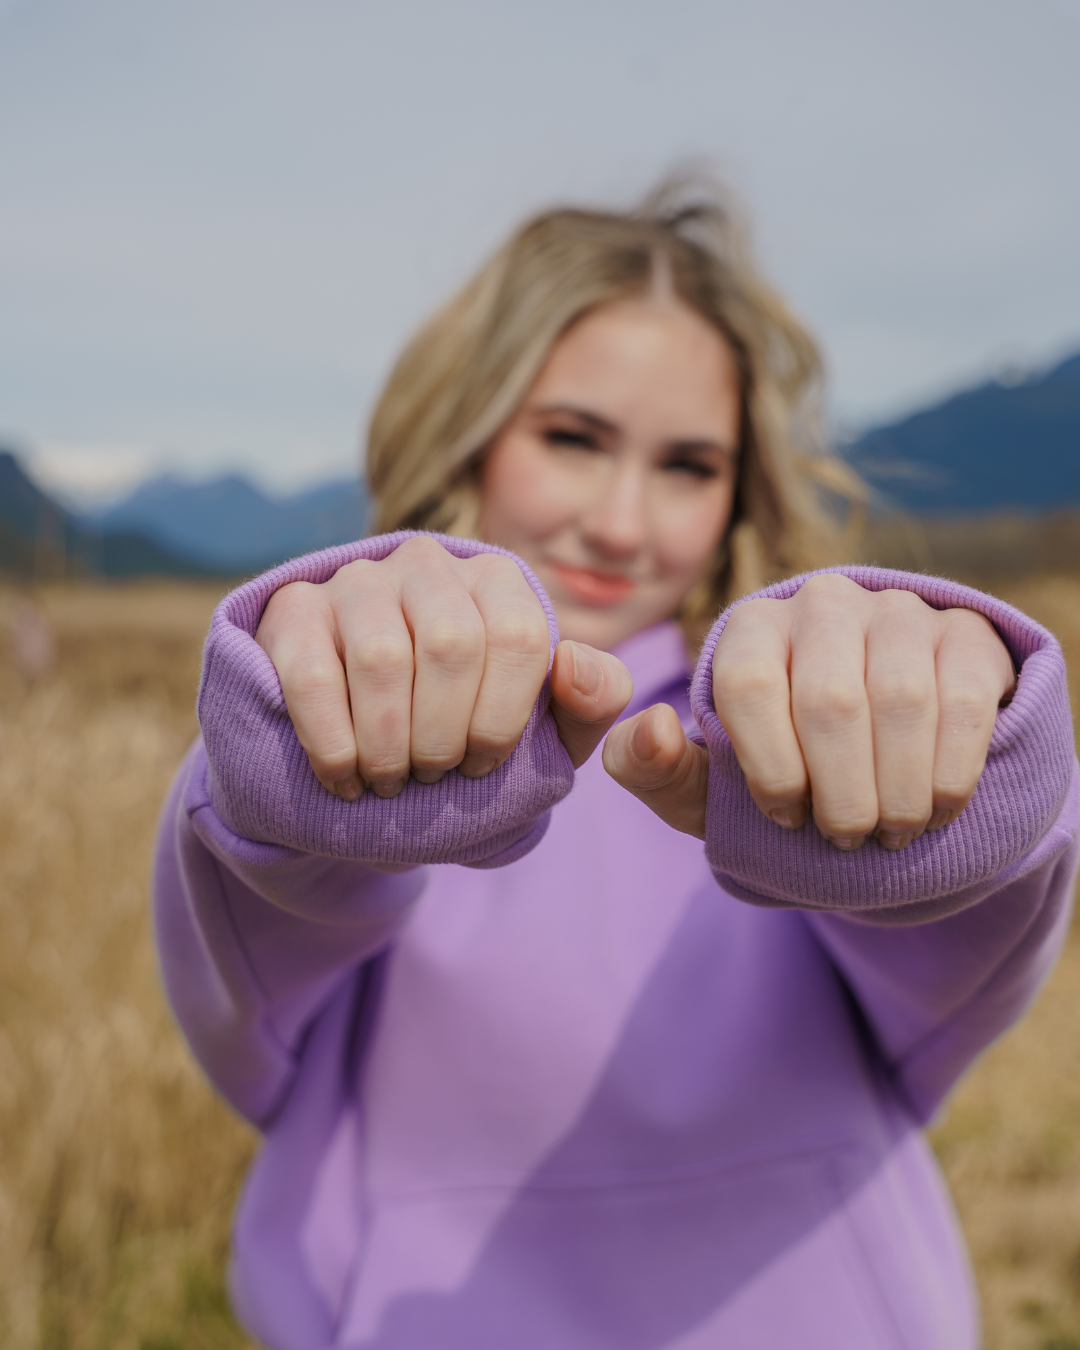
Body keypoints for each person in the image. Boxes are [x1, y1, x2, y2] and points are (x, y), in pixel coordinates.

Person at [153, 178, 1078, 1350]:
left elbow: (966, 942)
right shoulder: (333, 681)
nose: (624, 524)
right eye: (573, 439)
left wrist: (962, 759)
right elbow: (247, 979)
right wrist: (301, 752)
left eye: (688, 465)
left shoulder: (784, 729)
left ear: (738, 490)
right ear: (469, 427)